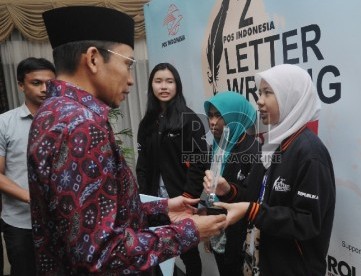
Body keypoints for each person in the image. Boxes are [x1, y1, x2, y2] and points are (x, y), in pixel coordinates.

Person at [27, 6, 226, 275]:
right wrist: (188, 230)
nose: (131, 80)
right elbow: (100, 255)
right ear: (94, 59)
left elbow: (91, 215)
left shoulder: (52, 112)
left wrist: (163, 206)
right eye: (127, 64)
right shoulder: (81, 126)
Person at [204, 64, 336, 276]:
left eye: (268, 92)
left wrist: (252, 211)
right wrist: (228, 190)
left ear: (291, 97)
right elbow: (255, 196)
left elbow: (306, 223)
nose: (259, 101)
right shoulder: (273, 146)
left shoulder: (310, 153)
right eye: (259, 93)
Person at [136, 62, 209, 276]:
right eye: (158, 81)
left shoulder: (188, 120)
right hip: (154, 203)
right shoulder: (147, 123)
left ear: (177, 86)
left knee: (189, 253)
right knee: (156, 254)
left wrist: (189, 197)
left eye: (170, 81)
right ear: (151, 87)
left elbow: (199, 162)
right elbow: (143, 164)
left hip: (181, 200)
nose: (164, 86)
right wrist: (143, 197)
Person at [0, 57, 56, 276]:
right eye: (36, 83)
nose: (44, 89)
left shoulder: (66, 121)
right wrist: (31, 197)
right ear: (21, 85)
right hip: (21, 224)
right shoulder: (4, 123)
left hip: (60, 222)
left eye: (49, 83)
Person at [203, 91, 260, 276]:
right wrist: (208, 227)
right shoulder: (217, 146)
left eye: (219, 115)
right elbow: (211, 190)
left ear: (235, 116)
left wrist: (228, 190)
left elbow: (254, 199)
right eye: (210, 115)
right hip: (219, 230)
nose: (213, 122)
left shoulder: (253, 150)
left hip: (241, 238)